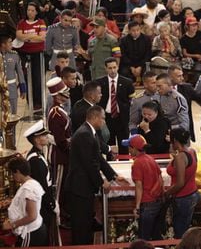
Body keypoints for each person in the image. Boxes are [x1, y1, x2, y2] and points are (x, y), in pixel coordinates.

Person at [65, 105, 128, 245]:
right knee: (81, 225)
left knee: (86, 222)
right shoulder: (84, 134)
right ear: (94, 118)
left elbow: (98, 157)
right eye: (103, 119)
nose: (104, 122)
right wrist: (101, 182)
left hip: (84, 186)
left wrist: (113, 176)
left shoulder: (89, 132)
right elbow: (90, 163)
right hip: (79, 187)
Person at [123, 134, 163, 240]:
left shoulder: (137, 163)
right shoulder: (151, 159)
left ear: (135, 149)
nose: (128, 150)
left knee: (143, 238)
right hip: (157, 202)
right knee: (156, 237)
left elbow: (139, 186)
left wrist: (137, 207)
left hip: (147, 205)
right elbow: (160, 178)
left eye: (129, 147)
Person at [2, 157, 48, 247]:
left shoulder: (28, 189)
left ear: (18, 172)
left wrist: (12, 225)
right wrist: (12, 201)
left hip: (30, 233)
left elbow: (32, 216)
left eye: (13, 173)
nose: (12, 177)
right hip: (35, 230)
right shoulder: (32, 182)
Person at [165, 128, 201, 238]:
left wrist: (167, 193)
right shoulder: (192, 152)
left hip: (183, 198)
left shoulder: (180, 157)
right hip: (192, 193)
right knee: (185, 228)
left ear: (175, 140)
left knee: (180, 232)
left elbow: (180, 183)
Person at [96, 57, 134, 155]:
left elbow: (131, 101)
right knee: (109, 145)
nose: (112, 70)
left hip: (122, 118)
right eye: (110, 68)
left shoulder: (127, 82)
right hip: (106, 118)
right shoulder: (99, 83)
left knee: (124, 145)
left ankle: (124, 165)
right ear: (106, 68)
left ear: (117, 67)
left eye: (114, 67)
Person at [24, 121, 56, 237]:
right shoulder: (35, 160)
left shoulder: (39, 154)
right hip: (41, 204)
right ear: (37, 140)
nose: (47, 137)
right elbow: (41, 186)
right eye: (43, 135)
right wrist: (52, 204)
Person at [46, 77, 71, 220]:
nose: (66, 95)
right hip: (60, 155)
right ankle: (59, 217)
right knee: (59, 187)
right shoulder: (56, 114)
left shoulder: (58, 110)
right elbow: (61, 140)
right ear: (57, 96)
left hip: (62, 153)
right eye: (63, 93)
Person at [16, 2, 46, 109]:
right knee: (26, 78)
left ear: (37, 11)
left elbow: (42, 37)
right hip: (24, 54)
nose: (30, 12)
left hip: (37, 54)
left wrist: (27, 37)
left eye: (32, 10)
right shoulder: (21, 23)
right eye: (28, 10)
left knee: (37, 78)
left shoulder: (41, 22)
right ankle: (30, 103)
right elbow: (19, 36)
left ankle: (38, 103)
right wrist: (33, 36)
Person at [168, 65, 201, 142]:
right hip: (168, 131)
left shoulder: (187, 88)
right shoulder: (161, 91)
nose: (182, 78)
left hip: (184, 131)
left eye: (182, 75)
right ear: (170, 77)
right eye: (179, 76)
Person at [0, 36, 25, 114]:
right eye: (9, 42)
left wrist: (23, 89)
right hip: (0, 89)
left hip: (12, 89)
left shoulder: (14, 55)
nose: (12, 44)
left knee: (13, 114)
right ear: (3, 44)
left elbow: (20, 73)